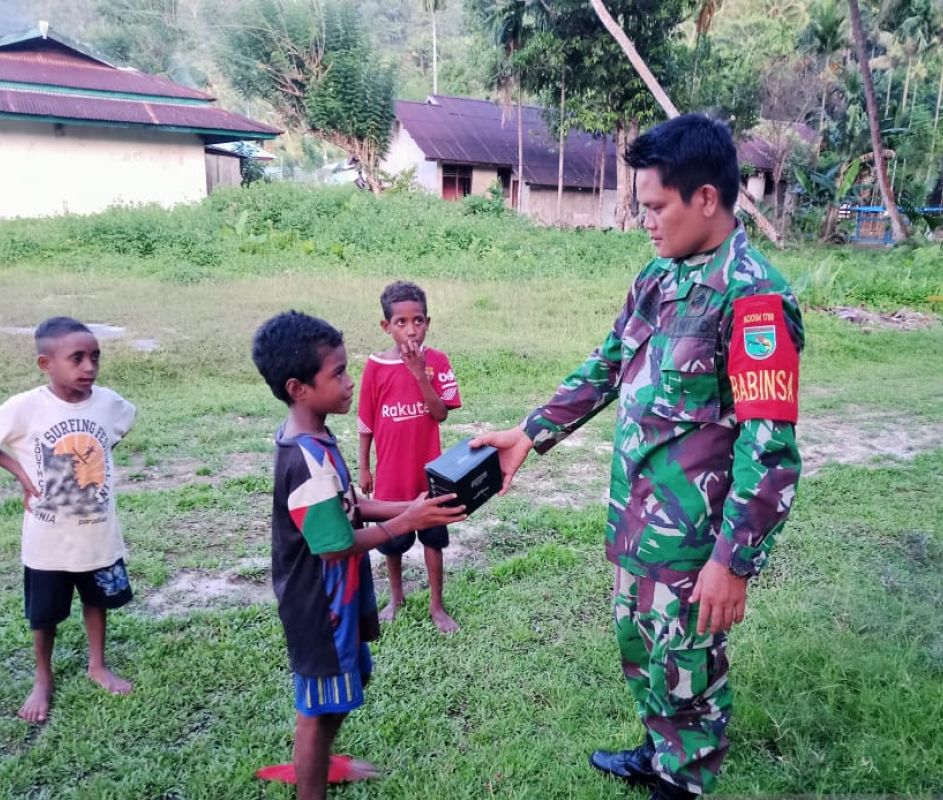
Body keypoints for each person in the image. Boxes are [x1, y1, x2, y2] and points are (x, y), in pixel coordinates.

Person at [472, 115, 804, 800]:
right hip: (638, 518)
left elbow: (769, 447)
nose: (645, 221)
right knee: (643, 654)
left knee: (686, 670)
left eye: (656, 206)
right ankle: (658, 754)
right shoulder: (659, 276)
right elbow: (609, 363)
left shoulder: (754, 297)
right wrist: (530, 434)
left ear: (705, 199)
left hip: (693, 540)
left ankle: (682, 782)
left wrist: (731, 562)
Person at [252, 310, 465, 800]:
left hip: (339, 599)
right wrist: (401, 524)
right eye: (339, 374)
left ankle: (322, 760)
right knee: (318, 708)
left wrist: (412, 507)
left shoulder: (319, 438)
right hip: (317, 605)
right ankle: (312, 780)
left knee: (344, 687)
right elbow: (336, 545)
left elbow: (352, 506)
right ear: (297, 387)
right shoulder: (305, 459)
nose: (350, 382)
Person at [0, 316, 137, 724]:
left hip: (97, 535)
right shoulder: (27, 406)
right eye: (77, 358)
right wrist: (23, 476)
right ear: (46, 364)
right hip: (47, 542)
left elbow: (121, 424)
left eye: (95, 357)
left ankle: (97, 665)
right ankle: (43, 676)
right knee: (44, 615)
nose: (89, 367)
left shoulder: (108, 402)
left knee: (97, 600)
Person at [357, 281, 463, 633]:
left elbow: (441, 414)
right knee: (393, 540)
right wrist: (365, 467)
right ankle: (396, 597)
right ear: (386, 326)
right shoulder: (374, 366)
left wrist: (420, 375)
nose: (410, 329)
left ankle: (437, 605)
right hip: (391, 475)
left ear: (427, 322)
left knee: (434, 538)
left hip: (430, 472)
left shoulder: (436, 362)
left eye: (417, 321)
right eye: (400, 322)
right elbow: (366, 423)